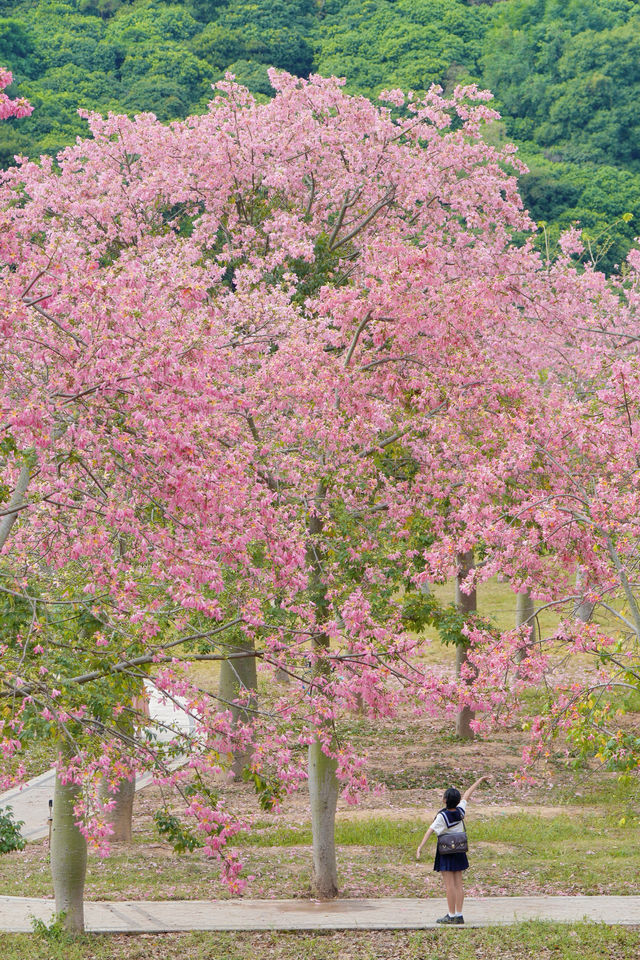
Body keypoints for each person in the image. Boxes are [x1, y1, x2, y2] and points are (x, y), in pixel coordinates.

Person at [415, 775, 489, 925]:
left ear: (444, 800)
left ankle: (451, 914)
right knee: (458, 884)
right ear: (457, 801)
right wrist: (479, 780)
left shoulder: (442, 816)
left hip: (446, 851)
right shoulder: (460, 811)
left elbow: (430, 831)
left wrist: (420, 847)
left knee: (449, 885)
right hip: (459, 850)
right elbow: (468, 794)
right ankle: (459, 914)